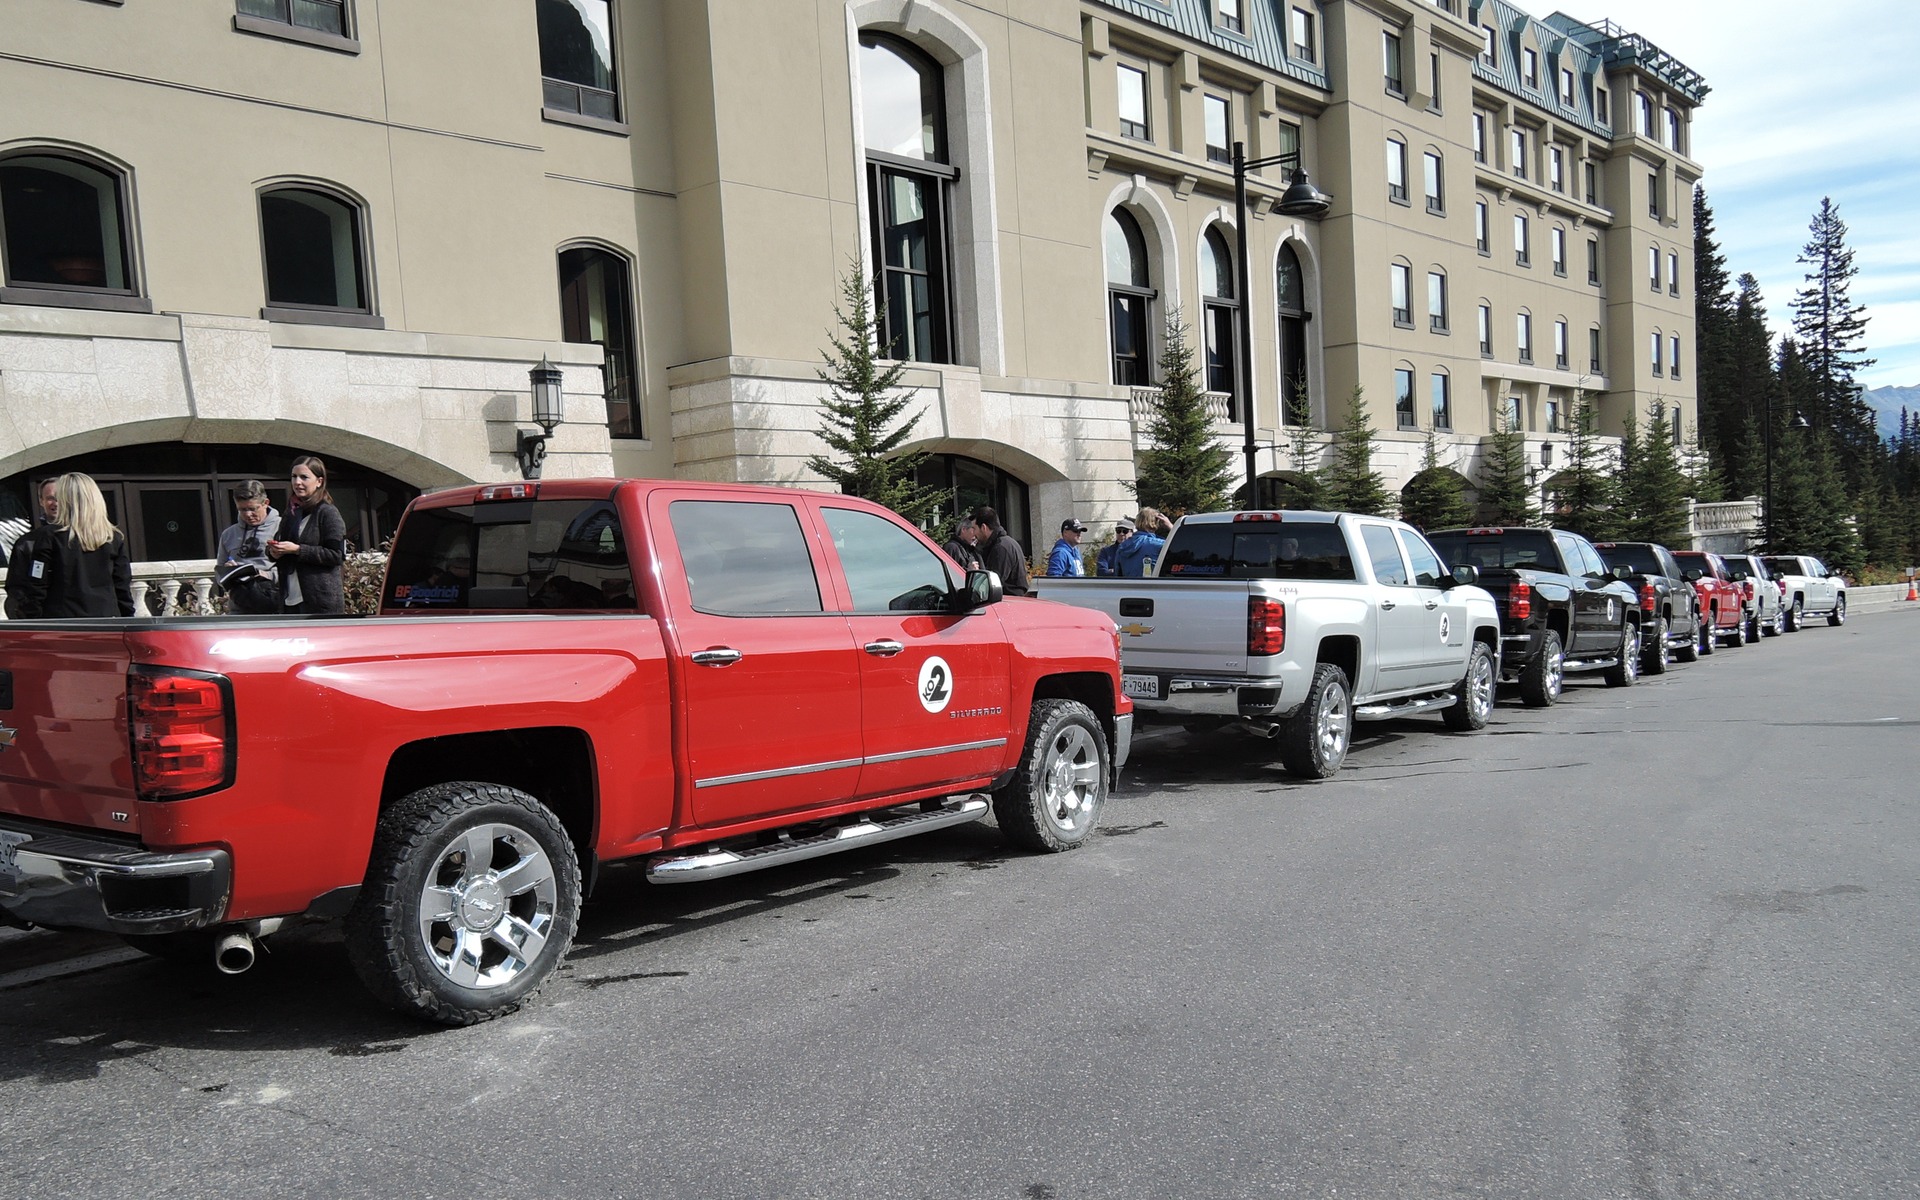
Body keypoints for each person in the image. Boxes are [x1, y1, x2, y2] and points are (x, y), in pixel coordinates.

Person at [14, 473, 134, 618]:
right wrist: (127, 618)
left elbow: (37, 581)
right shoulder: (112, 537)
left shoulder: (50, 536)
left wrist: (32, 617)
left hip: (63, 620)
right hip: (106, 618)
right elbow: (122, 585)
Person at [268, 455, 347, 615]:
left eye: (304, 477)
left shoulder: (327, 512)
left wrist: (298, 549)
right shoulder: (291, 512)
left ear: (319, 481)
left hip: (320, 601)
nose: (297, 482)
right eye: (294, 476)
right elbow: (280, 543)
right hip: (289, 598)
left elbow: (337, 555)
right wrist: (273, 552)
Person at [213, 480, 283, 614]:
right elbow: (219, 573)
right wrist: (228, 572)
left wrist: (266, 574)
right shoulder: (228, 534)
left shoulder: (282, 528)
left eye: (253, 509)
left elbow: (294, 569)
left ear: (266, 503)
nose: (248, 514)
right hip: (239, 607)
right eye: (242, 509)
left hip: (275, 603)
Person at [4, 477, 59, 619]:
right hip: (44, 621)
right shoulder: (27, 543)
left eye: (60, 498)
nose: (56, 503)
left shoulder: (89, 539)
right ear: (41, 501)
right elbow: (16, 589)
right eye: (50, 498)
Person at [972, 505, 1030, 596]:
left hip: (1009, 600)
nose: (973, 533)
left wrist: (975, 575)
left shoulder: (1001, 548)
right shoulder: (1006, 543)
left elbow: (992, 584)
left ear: (983, 527)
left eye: (974, 529)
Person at [1116, 507, 1173, 578]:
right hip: (1152, 584)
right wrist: (1170, 526)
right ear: (1155, 523)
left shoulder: (1122, 546)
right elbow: (1180, 547)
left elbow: (1117, 574)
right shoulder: (1158, 544)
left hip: (1129, 584)